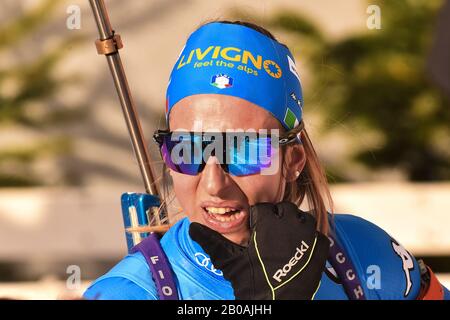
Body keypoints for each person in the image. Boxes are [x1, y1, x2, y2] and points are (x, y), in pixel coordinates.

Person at [84, 20, 449, 300]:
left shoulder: (361, 254)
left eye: (242, 151)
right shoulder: (129, 290)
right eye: (188, 150)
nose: (214, 183)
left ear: (293, 159)